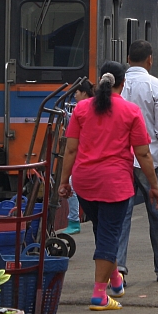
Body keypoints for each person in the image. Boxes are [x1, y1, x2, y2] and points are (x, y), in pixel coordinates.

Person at [58, 62, 158, 311]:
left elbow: (70, 149)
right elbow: (144, 155)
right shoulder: (130, 111)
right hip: (114, 183)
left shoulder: (82, 109)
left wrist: (63, 181)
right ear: (122, 84)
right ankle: (99, 295)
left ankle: (115, 281)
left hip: (84, 182)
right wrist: (154, 186)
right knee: (109, 234)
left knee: (103, 230)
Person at [117, 40, 158, 283]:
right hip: (151, 160)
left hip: (122, 160)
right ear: (150, 60)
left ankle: (119, 270)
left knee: (121, 215)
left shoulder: (117, 87)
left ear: (127, 58)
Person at [62, 79, 94, 235]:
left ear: (85, 93)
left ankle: (74, 220)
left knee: (71, 184)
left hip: (84, 158)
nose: (75, 96)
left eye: (77, 92)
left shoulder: (81, 110)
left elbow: (71, 146)